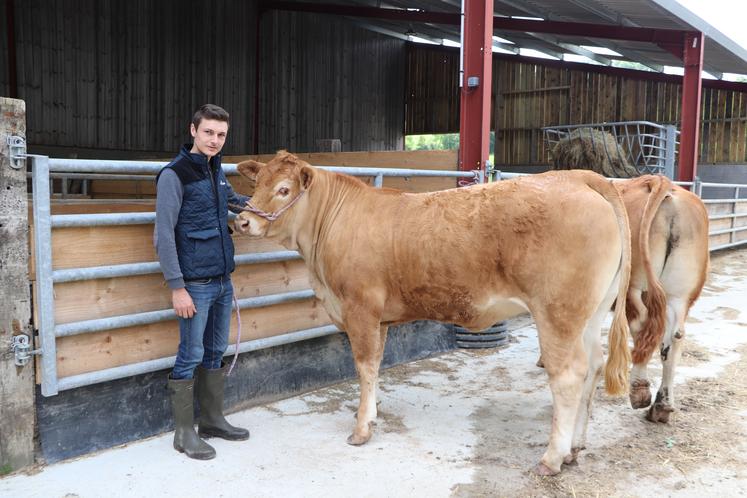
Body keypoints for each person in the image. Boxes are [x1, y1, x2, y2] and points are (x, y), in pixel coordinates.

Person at [154, 104, 250, 460]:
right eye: (208, 132)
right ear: (193, 130)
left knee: (214, 351)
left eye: (221, 134)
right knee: (190, 353)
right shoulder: (174, 175)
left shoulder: (216, 171)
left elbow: (232, 203)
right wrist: (177, 287)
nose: (214, 140)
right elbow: (164, 235)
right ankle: (183, 433)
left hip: (223, 280)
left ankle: (211, 420)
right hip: (194, 284)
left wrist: (264, 206)